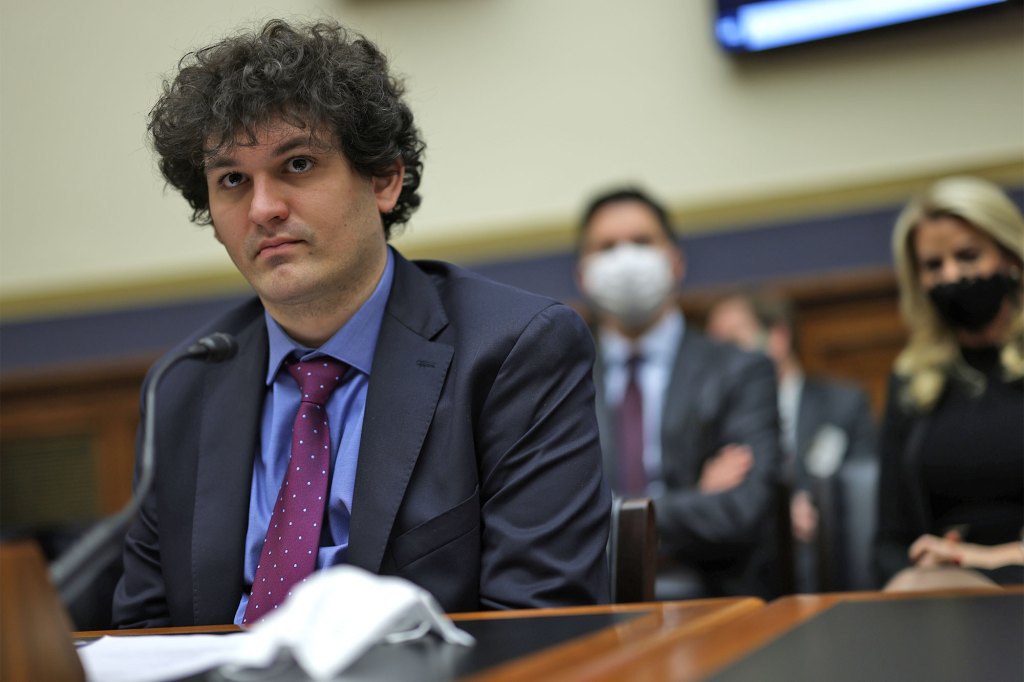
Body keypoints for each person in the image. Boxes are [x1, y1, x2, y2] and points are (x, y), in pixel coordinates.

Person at [112, 19, 610, 628]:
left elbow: (538, 625)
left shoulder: (513, 351)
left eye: (297, 164)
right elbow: (144, 631)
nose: (263, 208)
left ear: (383, 179)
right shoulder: (185, 384)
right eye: (233, 180)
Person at [576, 187, 783, 600]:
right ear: (582, 274)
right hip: (588, 601)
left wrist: (608, 517)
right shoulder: (559, 377)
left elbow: (740, 512)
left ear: (675, 261)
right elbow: (542, 515)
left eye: (641, 242)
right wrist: (690, 500)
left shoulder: (740, 370)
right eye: (607, 247)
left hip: (715, 598)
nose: (625, 259)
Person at [875, 175, 1024, 590]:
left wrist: (987, 559)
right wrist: (922, 564)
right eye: (934, 266)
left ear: (1010, 257)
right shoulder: (912, 381)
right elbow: (889, 541)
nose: (952, 276)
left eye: (968, 256)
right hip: (944, 592)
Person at [706, 292, 878, 591]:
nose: (724, 359)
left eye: (733, 341)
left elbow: (864, 492)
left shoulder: (844, 404)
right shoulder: (713, 422)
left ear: (777, 337)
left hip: (828, 553)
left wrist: (818, 511)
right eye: (716, 349)